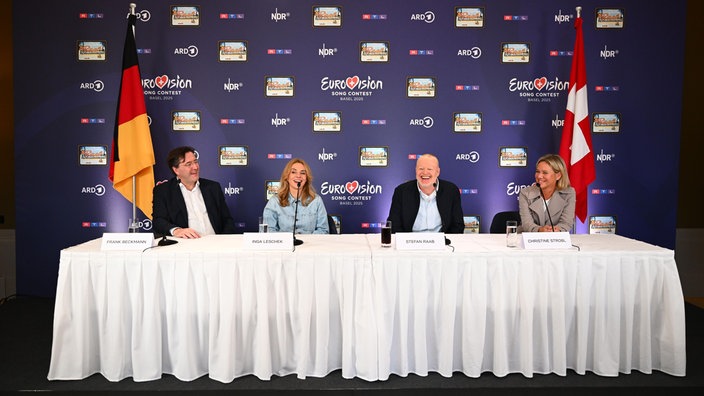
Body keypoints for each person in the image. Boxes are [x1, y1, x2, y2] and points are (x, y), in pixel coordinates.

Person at [152, 146, 235, 238]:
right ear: (176, 170)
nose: (195, 167)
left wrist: (223, 240)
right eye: (188, 164)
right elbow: (158, 221)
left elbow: (227, 220)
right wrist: (176, 230)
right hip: (185, 245)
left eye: (195, 162)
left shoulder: (213, 187)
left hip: (215, 243)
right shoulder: (163, 191)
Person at [387, 153, 464, 233]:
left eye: (430, 169)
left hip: (441, 242)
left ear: (437, 172)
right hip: (411, 242)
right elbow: (394, 225)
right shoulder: (401, 191)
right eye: (421, 168)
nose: (425, 172)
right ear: (416, 170)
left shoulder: (451, 191)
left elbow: (457, 225)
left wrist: (445, 241)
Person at [262, 158, 329, 234]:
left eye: (303, 173)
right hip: (284, 245)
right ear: (287, 177)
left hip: (310, 245)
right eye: (293, 172)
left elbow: (324, 230)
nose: (298, 176)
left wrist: (306, 241)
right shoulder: (275, 201)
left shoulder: (316, 200)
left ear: (307, 178)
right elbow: (268, 231)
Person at [518, 154, 576, 232]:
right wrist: (539, 230)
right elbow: (527, 224)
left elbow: (566, 223)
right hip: (529, 238)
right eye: (537, 171)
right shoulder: (525, 193)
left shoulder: (569, 194)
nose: (539, 176)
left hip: (555, 239)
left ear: (558, 176)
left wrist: (555, 230)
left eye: (545, 173)